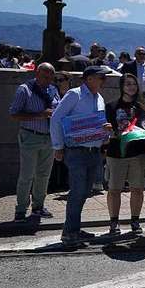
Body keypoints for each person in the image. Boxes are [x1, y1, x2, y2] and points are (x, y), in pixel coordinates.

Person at [50, 66, 112, 246]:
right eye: (101, 77)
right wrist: (58, 146)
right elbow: (56, 118)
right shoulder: (74, 95)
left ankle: (74, 228)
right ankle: (69, 232)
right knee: (77, 191)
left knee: (84, 192)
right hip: (76, 151)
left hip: (94, 152)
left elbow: (98, 124)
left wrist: (105, 134)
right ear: (89, 78)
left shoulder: (99, 98)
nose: (104, 81)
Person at [9, 62, 61, 221]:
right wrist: (40, 115)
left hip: (49, 137)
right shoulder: (25, 90)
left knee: (44, 175)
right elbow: (14, 114)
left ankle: (38, 206)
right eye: (45, 76)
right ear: (37, 74)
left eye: (51, 77)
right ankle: (21, 209)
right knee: (27, 175)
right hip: (30, 136)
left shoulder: (53, 90)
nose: (48, 80)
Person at [104, 74, 145, 235]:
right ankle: (114, 222)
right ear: (122, 87)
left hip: (138, 153)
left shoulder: (142, 107)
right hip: (116, 153)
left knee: (137, 189)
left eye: (134, 84)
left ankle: (135, 221)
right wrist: (111, 132)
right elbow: (107, 128)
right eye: (128, 84)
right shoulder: (111, 106)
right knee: (114, 189)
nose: (132, 87)